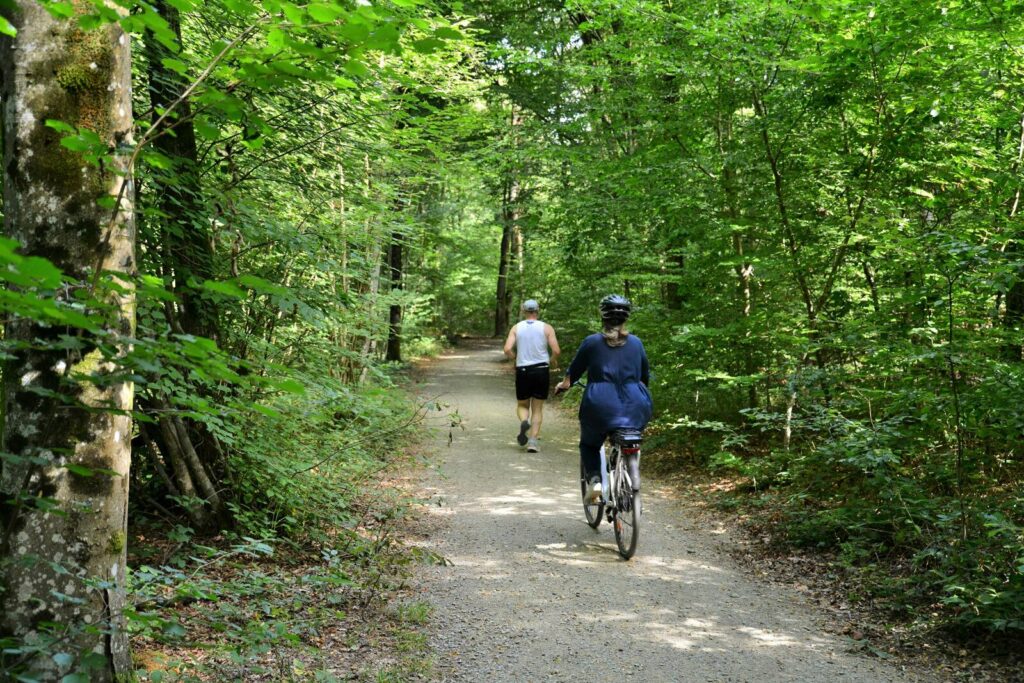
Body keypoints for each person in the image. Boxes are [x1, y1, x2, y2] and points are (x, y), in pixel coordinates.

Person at [555, 294, 652, 503]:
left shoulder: (592, 342)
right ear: (626, 318)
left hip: (599, 405)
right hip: (635, 405)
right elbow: (645, 376)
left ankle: (596, 481)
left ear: (603, 317)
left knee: (589, 445)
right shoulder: (636, 343)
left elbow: (574, 372)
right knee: (631, 436)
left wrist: (564, 385)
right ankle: (624, 467)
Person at [503, 299, 561, 452]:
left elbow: (507, 349)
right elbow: (556, 351)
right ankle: (533, 441)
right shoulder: (546, 328)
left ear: (523, 311)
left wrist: (515, 358)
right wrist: (552, 361)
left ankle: (524, 422)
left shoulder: (516, 328)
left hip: (523, 370)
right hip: (541, 369)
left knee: (522, 404)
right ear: (537, 310)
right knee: (537, 408)